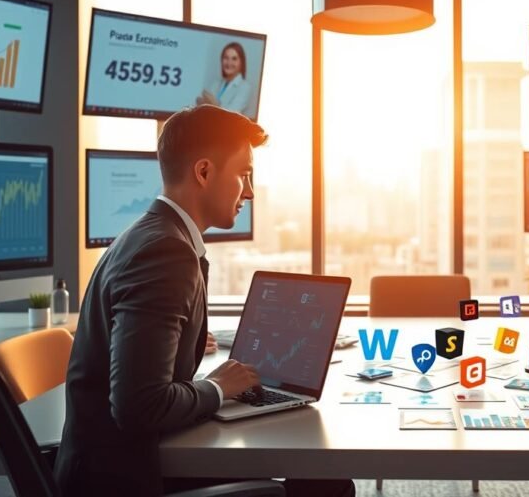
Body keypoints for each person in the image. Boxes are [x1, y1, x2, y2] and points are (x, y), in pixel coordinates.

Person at [55, 105, 354, 497]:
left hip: (112, 460)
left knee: (316, 476)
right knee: (326, 488)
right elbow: (138, 406)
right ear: (204, 172)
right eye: (244, 173)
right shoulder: (165, 252)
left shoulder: (151, 234)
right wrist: (215, 387)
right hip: (118, 479)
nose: (249, 190)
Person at [198, 42, 256, 119]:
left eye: (234, 59)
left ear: (241, 62)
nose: (229, 63)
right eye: (226, 58)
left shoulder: (245, 88)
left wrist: (213, 104)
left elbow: (230, 115)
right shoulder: (216, 83)